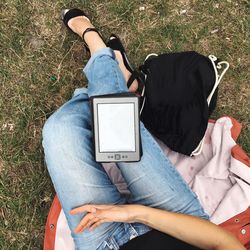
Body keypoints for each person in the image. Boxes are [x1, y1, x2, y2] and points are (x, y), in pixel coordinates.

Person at [42, 8, 245, 250]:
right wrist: (136, 213)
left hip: (102, 242)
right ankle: (95, 44)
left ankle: (118, 83)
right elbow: (222, 242)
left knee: (59, 129)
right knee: (112, 113)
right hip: (174, 223)